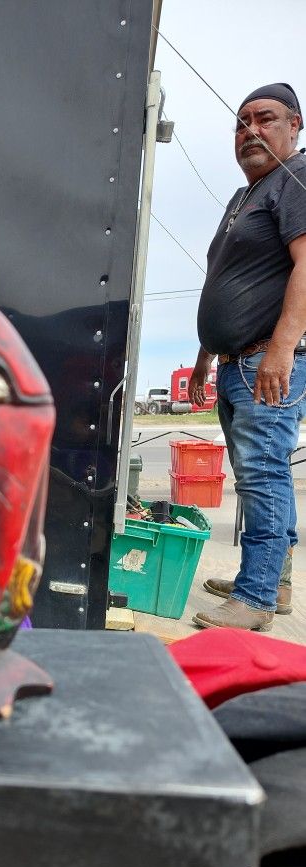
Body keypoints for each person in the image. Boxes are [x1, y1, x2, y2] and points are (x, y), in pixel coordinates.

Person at [189, 83, 306, 632]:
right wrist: (202, 359)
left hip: (267, 360)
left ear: (295, 126)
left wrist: (282, 348)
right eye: (242, 123)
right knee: (261, 475)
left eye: (266, 119)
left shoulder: (296, 179)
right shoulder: (245, 197)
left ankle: (254, 599)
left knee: (262, 476)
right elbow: (225, 282)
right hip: (235, 362)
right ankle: (271, 584)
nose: (251, 131)